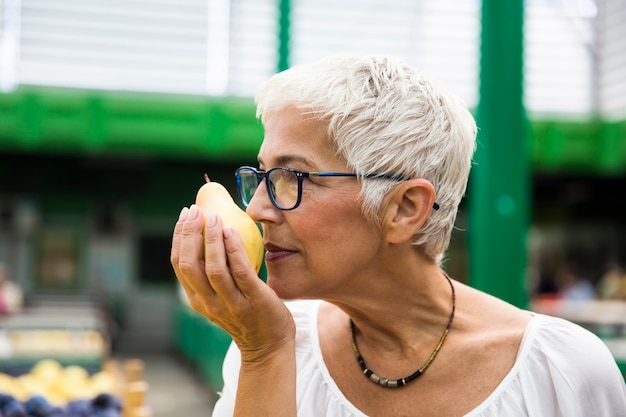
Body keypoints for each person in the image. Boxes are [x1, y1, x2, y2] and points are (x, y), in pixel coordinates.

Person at [171, 55, 626, 416]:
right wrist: (262, 351)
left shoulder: (561, 372)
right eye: (263, 175)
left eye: (291, 177)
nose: (256, 209)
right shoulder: (274, 340)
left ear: (405, 209)